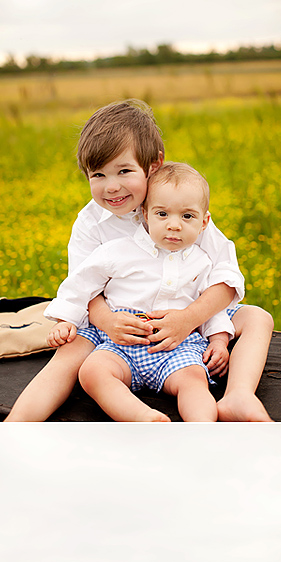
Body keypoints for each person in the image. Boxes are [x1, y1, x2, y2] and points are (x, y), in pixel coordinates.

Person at [4, 98, 274, 422]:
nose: (112, 186)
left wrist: (189, 319)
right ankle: (15, 425)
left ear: (154, 165)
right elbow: (84, 285)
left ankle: (238, 396)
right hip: (116, 319)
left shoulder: (181, 206)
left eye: (124, 171)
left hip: (182, 310)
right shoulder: (91, 223)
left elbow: (226, 276)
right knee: (70, 353)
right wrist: (107, 322)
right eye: (98, 175)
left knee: (258, 318)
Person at [46, 162, 236, 421]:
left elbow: (210, 306)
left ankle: (201, 430)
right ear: (144, 215)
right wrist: (66, 319)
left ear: (204, 222)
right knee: (92, 371)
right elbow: (81, 282)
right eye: (162, 215)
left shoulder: (203, 262)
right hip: (123, 344)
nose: (174, 225)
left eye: (187, 216)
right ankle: (143, 418)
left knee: (193, 381)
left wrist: (218, 341)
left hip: (178, 345)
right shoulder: (119, 251)